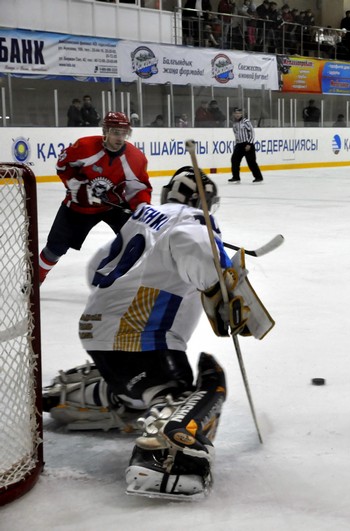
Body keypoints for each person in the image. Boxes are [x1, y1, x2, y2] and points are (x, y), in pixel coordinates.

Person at [41, 167, 271, 499]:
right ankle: (166, 453)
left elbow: (95, 269)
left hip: (96, 331)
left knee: (138, 388)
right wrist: (219, 286)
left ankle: (91, 395)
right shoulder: (195, 220)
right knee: (195, 388)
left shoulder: (141, 218)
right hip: (141, 336)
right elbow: (187, 243)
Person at [38, 112, 151, 283]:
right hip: (78, 207)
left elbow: (139, 188)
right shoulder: (84, 147)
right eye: (115, 132)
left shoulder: (135, 158)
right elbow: (63, 166)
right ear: (105, 131)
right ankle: (35, 278)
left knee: (137, 241)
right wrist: (77, 185)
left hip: (112, 205)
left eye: (123, 133)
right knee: (54, 249)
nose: (120, 138)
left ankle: (135, 282)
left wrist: (142, 207)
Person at [229, 107, 264, 183]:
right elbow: (236, 134)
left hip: (247, 144)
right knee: (234, 160)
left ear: (242, 114)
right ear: (234, 114)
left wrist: (249, 143)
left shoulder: (246, 121)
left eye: (239, 113)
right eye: (236, 113)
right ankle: (236, 177)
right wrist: (237, 144)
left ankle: (258, 177)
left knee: (251, 162)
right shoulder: (234, 123)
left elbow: (251, 132)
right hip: (239, 145)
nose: (237, 115)